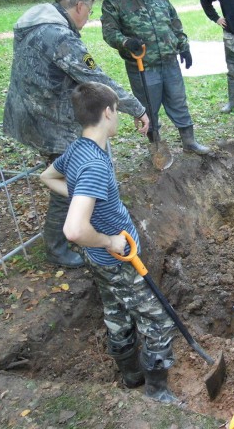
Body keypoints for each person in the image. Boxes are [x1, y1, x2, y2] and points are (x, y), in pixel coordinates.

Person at [40, 82, 179, 403]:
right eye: (117, 110)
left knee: (117, 313)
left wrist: (82, 201)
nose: (118, 117)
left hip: (98, 261)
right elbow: (74, 229)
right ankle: (157, 393)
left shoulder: (78, 149)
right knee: (158, 322)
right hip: (117, 260)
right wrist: (110, 240)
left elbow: (47, 177)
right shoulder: (93, 165)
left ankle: (131, 376)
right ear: (107, 112)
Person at [3, 0, 149, 268]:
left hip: (32, 113)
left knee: (71, 176)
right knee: (73, 178)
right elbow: (95, 78)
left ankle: (82, 223)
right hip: (49, 121)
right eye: (90, 11)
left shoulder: (39, 25)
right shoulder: (60, 37)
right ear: (80, 5)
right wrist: (137, 108)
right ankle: (59, 246)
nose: (88, 17)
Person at [101, 0, 209, 155]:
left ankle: (189, 142)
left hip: (169, 61)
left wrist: (183, 45)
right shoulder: (114, 0)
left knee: (178, 101)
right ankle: (156, 147)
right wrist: (125, 42)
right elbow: (109, 32)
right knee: (149, 110)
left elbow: (174, 20)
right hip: (143, 66)